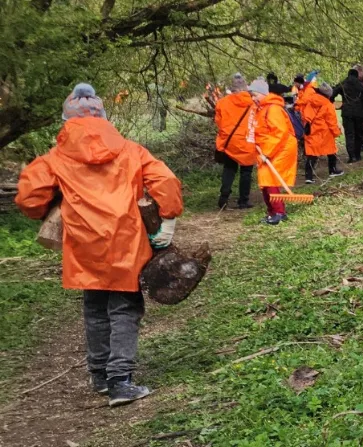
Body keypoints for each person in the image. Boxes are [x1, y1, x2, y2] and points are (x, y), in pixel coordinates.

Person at [15, 83, 183, 407]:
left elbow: (28, 196)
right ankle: (120, 380)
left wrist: (46, 207)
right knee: (124, 307)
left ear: (67, 120)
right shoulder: (131, 150)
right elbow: (165, 181)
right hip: (126, 241)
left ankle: (100, 376)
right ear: (104, 117)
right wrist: (170, 217)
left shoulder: (56, 157)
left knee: (94, 306)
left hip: (83, 244)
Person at [248, 78, 297, 225]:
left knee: (269, 180)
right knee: (265, 181)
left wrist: (267, 153)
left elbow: (280, 133)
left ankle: (279, 213)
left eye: (255, 95)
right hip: (268, 148)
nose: (253, 98)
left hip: (280, 148)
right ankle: (272, 213)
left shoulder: (273, 109)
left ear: (263, 94)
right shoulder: (261, 108)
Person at [214, 73, 256, 209]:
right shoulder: (253, 103)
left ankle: (224, 198)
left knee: (229, 169)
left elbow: (218, 122)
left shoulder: (222, 103)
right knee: (246, 172)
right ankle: (243, 201)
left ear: (232, 88)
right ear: (245, 87)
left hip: (229, 142)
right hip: (247, 142)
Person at [297, 82, 344, 183]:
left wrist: (307, 126)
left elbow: (305, 116)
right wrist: (336, 132)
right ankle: (332, 170)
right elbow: (332, 122)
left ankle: (308, 177)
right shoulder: (328, 105)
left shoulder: (311, 101)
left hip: (312, 131)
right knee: (331, 151)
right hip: (325, 133)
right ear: (328, 94)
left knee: (312, 154)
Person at [331, 68, 363, 164]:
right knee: (358, 134)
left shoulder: (343, 84)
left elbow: (332, 94)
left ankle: (351, 157)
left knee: (349, 135)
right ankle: (358, 155)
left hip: (347, 112)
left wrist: (333, 103)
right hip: (359, 113)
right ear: (357, 76)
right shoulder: (362, 87)